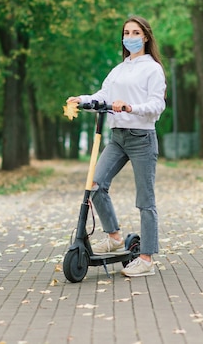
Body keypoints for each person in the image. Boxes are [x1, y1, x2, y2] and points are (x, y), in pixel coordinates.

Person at [66, 15, 166, 277]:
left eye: (135, 33)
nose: (130, 37)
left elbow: (158, 104)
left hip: (142, 137)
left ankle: (146, 259)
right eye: (126, 33)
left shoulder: (152, 68)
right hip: (118, 136)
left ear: (145, 37)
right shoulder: (119, 69)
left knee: (145, 200)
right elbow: (103, 95)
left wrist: (132, 107)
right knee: (95, 185)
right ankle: (114, 237)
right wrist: (84, 100)